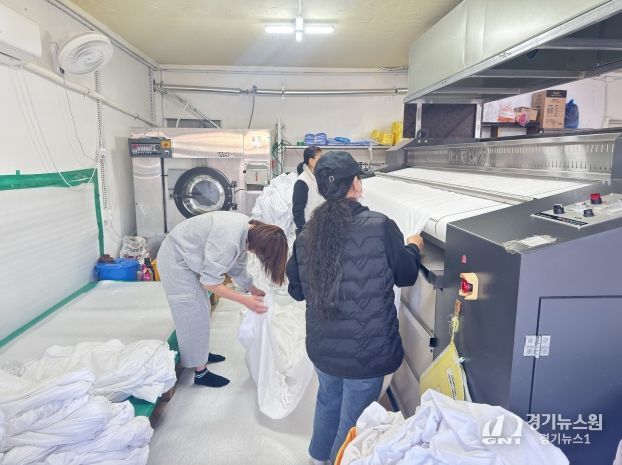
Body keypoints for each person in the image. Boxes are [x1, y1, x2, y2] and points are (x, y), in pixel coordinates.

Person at [286, 151, 424, 464]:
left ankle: (317, 458)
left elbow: (296, 291)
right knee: (353, 423)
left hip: (324, 349)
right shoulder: (380, 226)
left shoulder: (307, 234)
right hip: (367, 352)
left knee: (328, 401)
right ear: (357, 184)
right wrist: (414, 247)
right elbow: (405, 275)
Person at [157, 211, 288, 388]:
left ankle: (200, 354)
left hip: (190, 255)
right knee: (192, 313)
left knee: (202, 309)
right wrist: (245, 300)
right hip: (176, 260)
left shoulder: (247, 231)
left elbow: (237, 267)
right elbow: (210, 283)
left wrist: (252, 288)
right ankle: (200, 373)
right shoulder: (228, 238)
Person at [292, 145, 323, 235]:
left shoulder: (318, 177)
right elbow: (297, 211)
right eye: (320, 159)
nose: (323, 161)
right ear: (311, 161)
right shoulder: (302, 181)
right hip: (308, 231)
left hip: (319, 228)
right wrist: (304, 230)